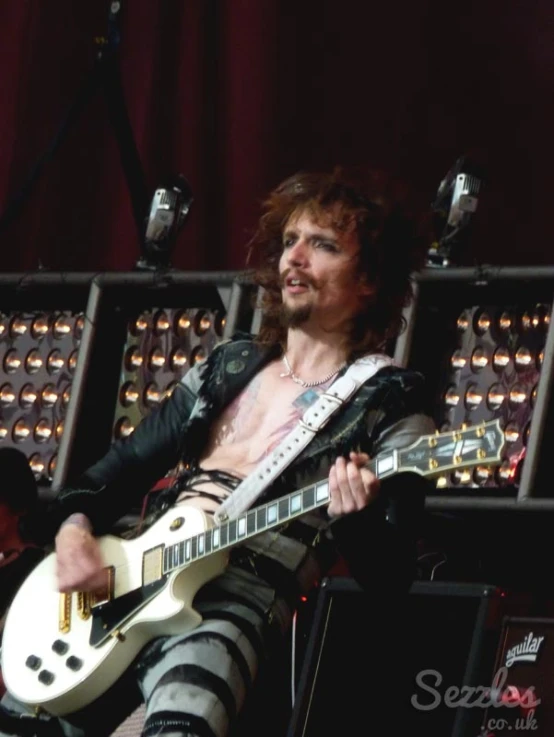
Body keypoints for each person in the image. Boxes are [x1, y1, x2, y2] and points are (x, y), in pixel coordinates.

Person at [0, 166, 435, 737]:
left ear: (369, 280)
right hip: (125, 586)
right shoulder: (228, 367)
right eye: (289, 242)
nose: (294, 259)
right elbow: (120, 470)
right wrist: (75, 531)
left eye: (322, 245)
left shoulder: (392, 405)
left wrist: (351, 522)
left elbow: (393, 576)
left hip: (233, 608)